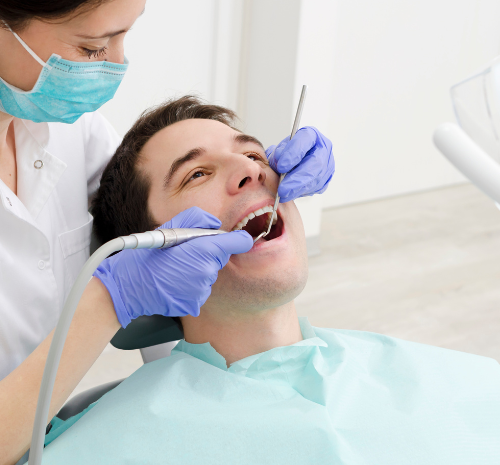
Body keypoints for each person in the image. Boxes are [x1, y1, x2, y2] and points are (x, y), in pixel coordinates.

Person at [40, 97, 500, 465]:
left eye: (253, 154)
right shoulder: (103, 445)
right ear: (148, 247)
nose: (251, 170)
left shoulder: (456, 382)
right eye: (196, 174)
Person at [0, 0, 335, 464]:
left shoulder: (72, 129)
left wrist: (185, 385)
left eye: (253, 154)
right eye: (92, 48)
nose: (116, 64)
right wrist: (110, 300)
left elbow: (137, 216)